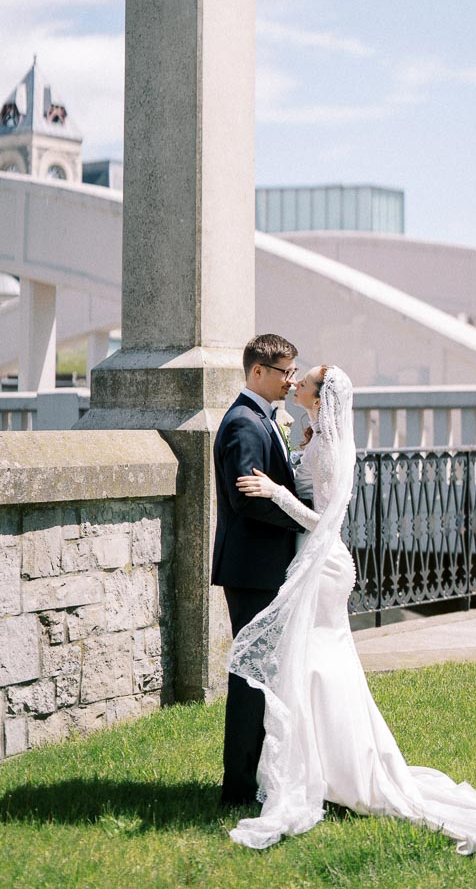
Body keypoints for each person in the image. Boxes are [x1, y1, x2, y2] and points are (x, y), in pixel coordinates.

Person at [230, 364, 476, 867]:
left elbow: (328, 520)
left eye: (305, 381)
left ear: (321, 396)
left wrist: (276, 493)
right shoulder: (319, 435)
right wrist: (302, 447)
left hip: (323, 558)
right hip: (313, 558)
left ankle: (334, 770)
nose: (295, 383)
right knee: (314, 664)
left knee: (318, 664)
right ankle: (328, 765)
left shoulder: (336, 449)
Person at [211, 332, 304, 806]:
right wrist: (303, 514)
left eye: (293, 372)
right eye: (285, 372)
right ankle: (238, 789)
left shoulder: (262, 419)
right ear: (257, 373)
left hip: (263, 567)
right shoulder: (245, 424)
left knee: (263, 675)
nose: (292, 380)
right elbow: (248, 500)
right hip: (252, 570)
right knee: (250, 678)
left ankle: (259, 775)